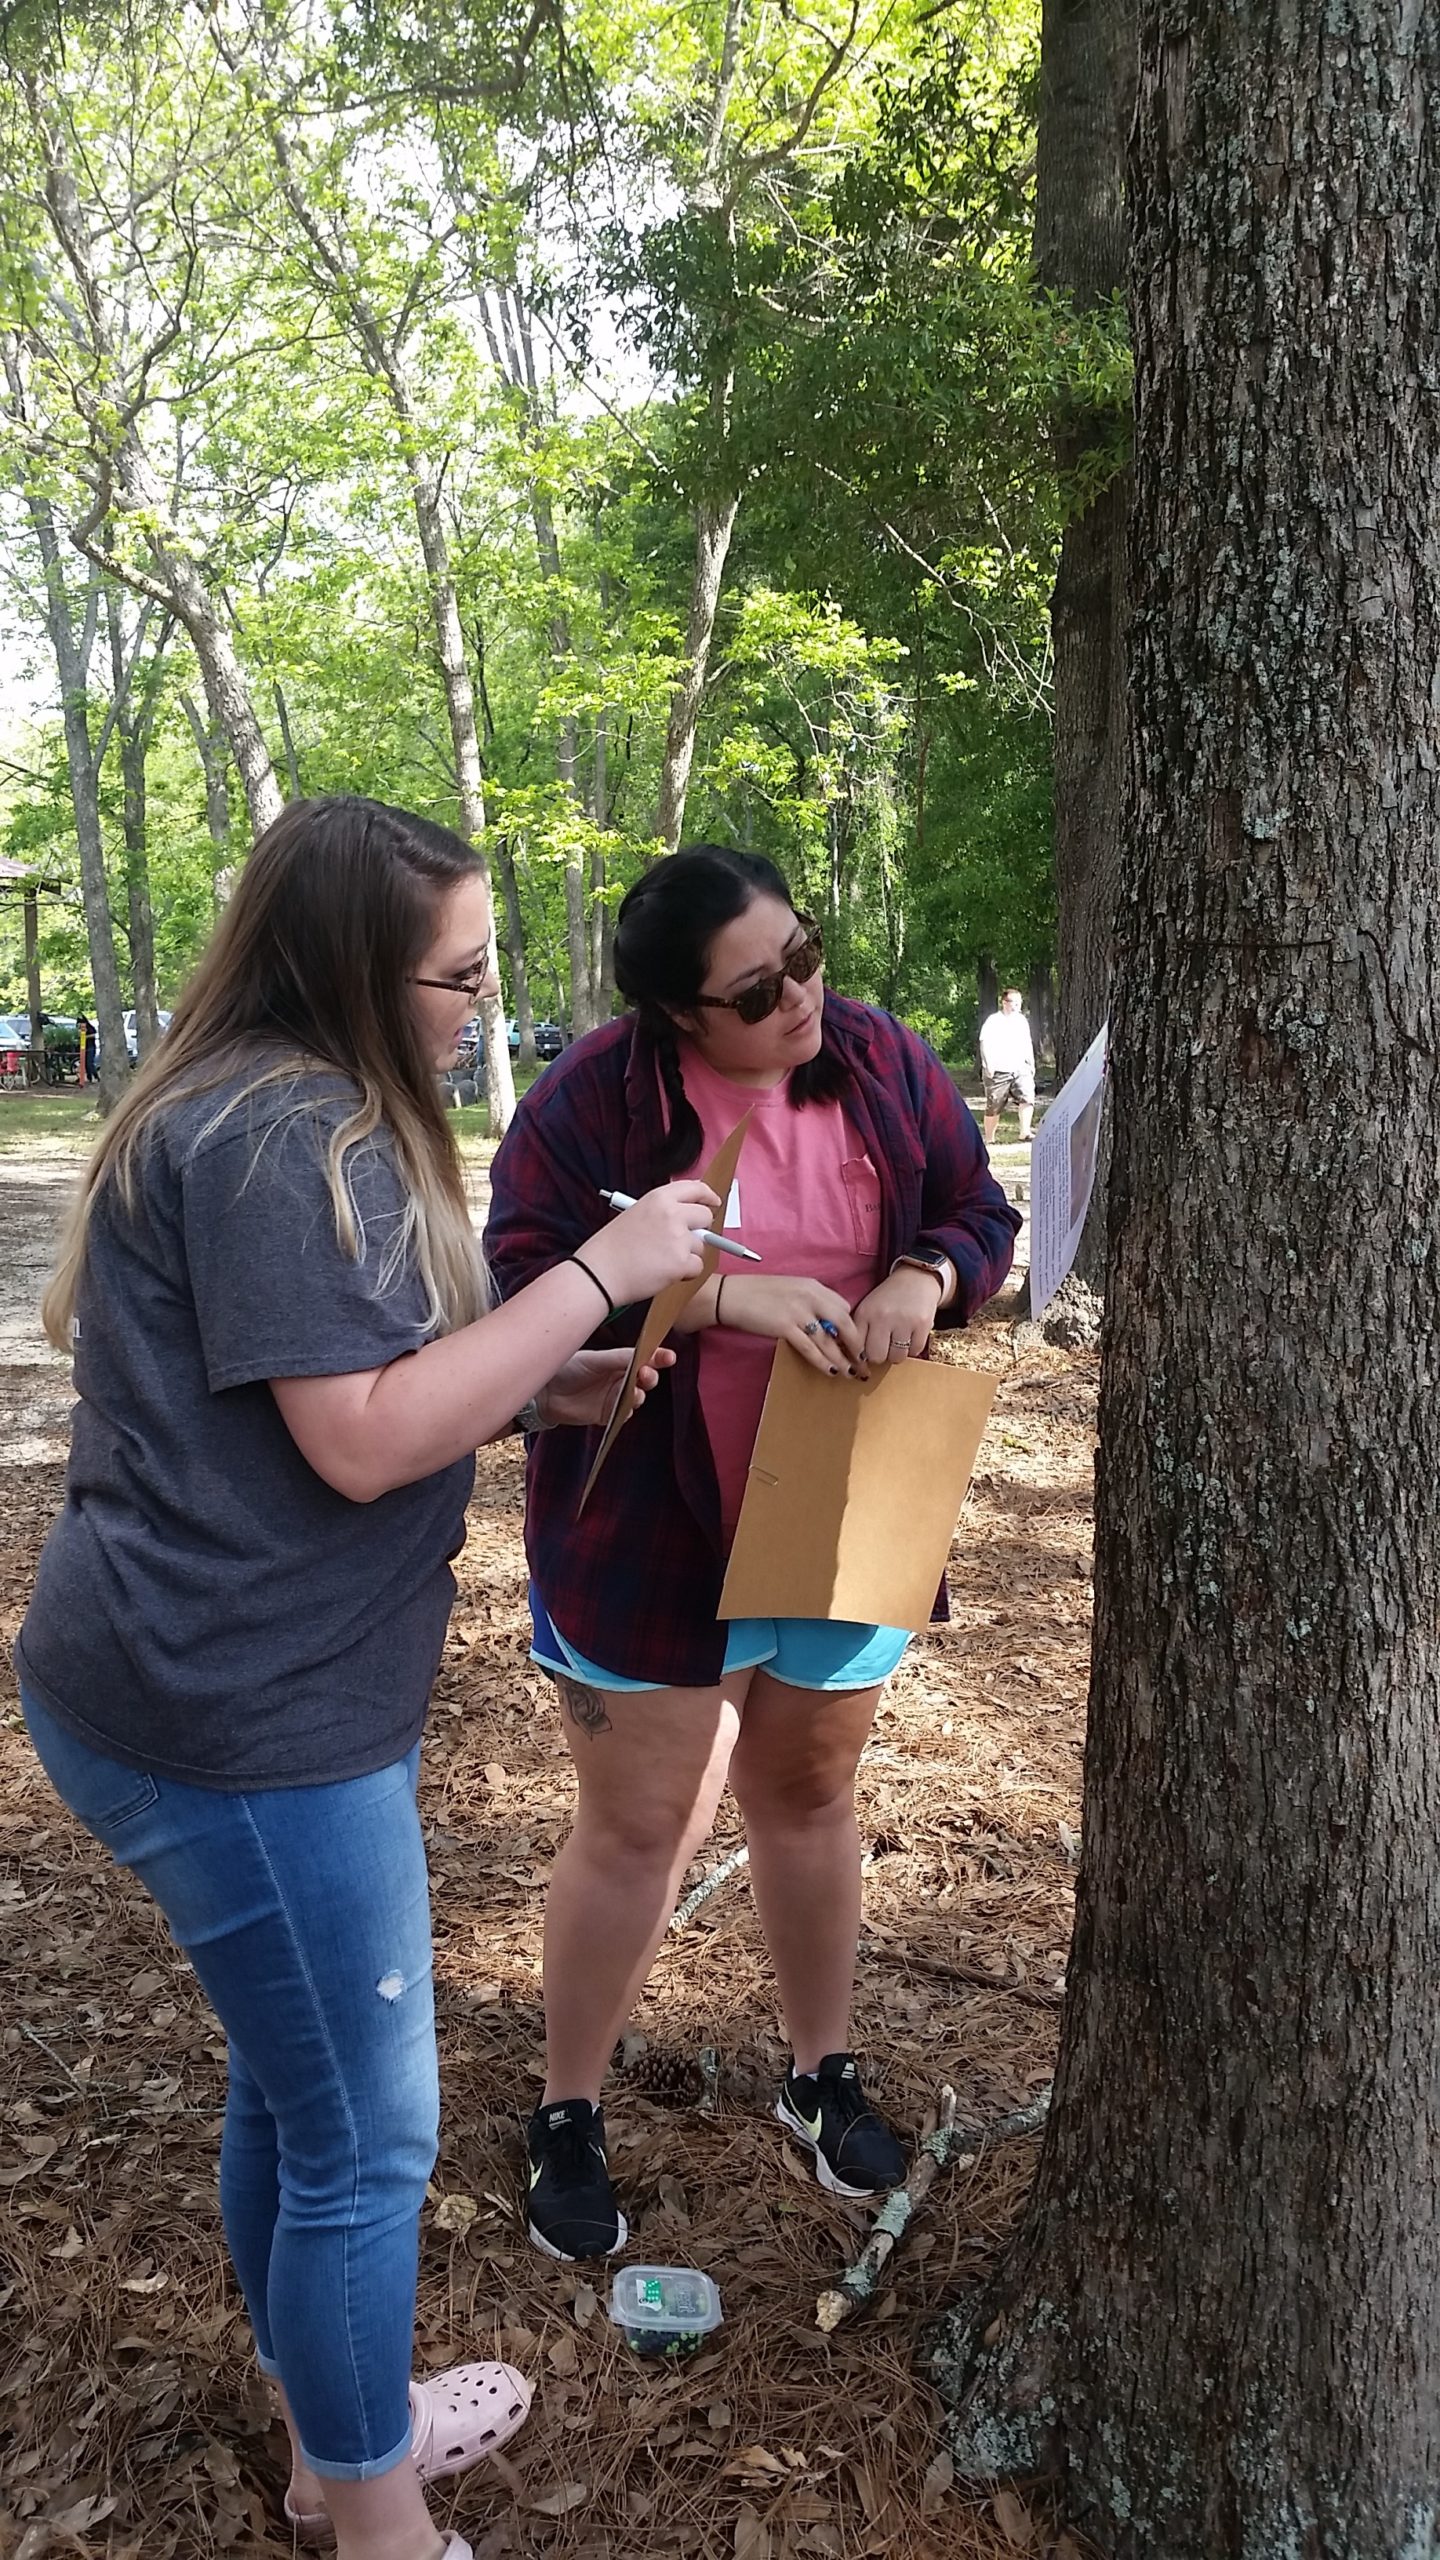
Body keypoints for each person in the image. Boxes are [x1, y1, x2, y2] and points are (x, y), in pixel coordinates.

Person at [14, 798, 716, 2560]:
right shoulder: (274, 1132)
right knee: (366, 2141)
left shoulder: (271, 1106)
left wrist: (529, 1378)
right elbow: (358, 1440)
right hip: (240, 1724)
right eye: (459, 973)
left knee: (298, 2085)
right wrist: (595, 1275)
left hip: (228, 1690)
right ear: (353, 973)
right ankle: (373, 2513)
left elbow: (370, 1381)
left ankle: (329, 2428)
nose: (483, 1001)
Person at [485, 845, 1020, 2261]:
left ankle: (819, 2067)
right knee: (644, 1820)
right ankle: (569, 2106)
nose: (800, 997)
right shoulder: (592, 1103)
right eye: (755, 989)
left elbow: (983, 1213)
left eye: (805, 952)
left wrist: (926, 1274)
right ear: (674, 1016)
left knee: (807, 1787)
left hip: (845, 1497)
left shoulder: (881, 1063)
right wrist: (722, 1297)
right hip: (648, 1517)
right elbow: (522, 1291)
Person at [978, 986, 1036, 1144]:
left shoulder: (1022, 1021)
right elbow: (984, 1042)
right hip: (998, 1070)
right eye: (1013, 1002)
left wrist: (1031, 1062)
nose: (1017, 1006)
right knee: (994, 1105)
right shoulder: (993, 1021)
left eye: (1019, 1003)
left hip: (1020, 1067)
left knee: (1027, 1097)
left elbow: (1027, 1042)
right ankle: (990, 1138)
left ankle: (1025, 1131)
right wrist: (988, 1064)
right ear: (1004, 1002)